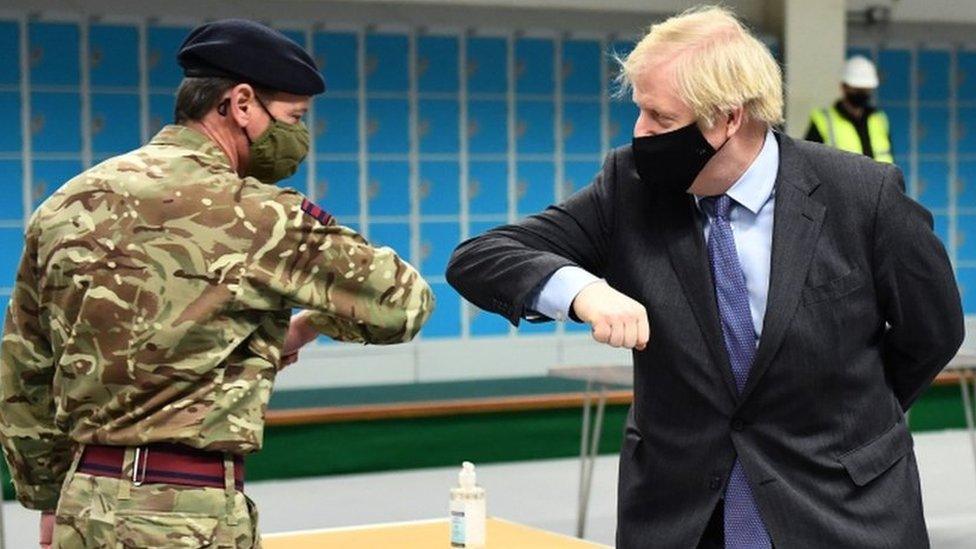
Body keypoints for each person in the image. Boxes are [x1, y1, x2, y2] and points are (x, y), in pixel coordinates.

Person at [447, 6, 962, 548]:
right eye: (640, 111)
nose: (640, 132)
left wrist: (847, 421)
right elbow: (480, 258)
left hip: (839, 510)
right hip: (683, 517)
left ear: (728, 118)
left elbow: (932, 333)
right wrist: (584, 291)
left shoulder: (863, 196)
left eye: (660, 118)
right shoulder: (630, 186)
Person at [0, 19, 433, 548]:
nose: (298, 137)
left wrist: (48, 500)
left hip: (82, 505)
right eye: (294, 117)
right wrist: (316, 322)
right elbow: (403, 303)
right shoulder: (258, 214)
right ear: (242, 103)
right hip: (187, 511)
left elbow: (26, 371)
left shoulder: (64, 205)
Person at [805, 55, 894, 163]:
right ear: (843, 87)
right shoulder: (823, 120)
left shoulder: (879, 119)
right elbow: (808, 162)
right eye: (856, 89)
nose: (861, 94)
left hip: (879, 179)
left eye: (865, 90)